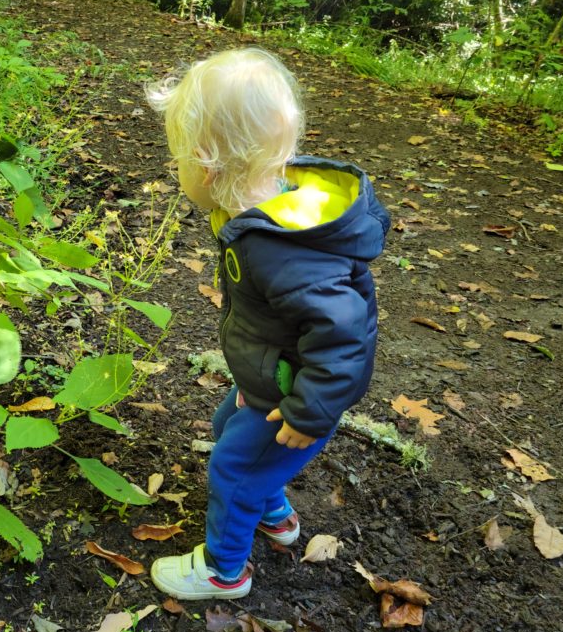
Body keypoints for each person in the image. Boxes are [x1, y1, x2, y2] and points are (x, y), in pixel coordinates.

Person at [145, 48, 390, 600]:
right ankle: (273, 513)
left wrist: (309, 411)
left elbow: (345, 334)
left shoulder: (280, 249)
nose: (177, 170)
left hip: (297, 397)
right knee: (225, 428)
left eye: (178, 159)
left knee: (232, 468)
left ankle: (223, 571)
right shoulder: (261, 216)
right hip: (272, 377)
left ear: (206, 165)